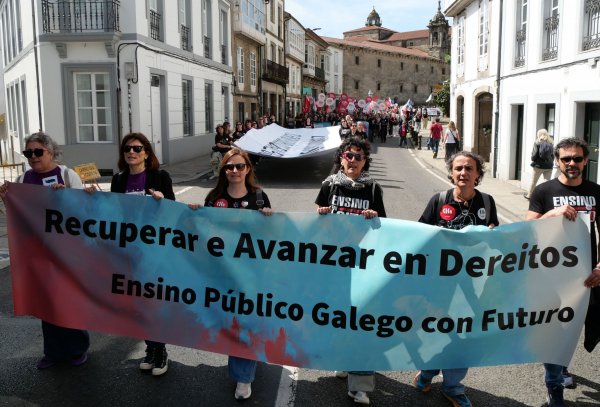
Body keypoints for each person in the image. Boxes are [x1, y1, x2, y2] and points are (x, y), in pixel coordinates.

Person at [414, 151, 499, 407]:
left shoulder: (487, 202)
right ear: (451, 173)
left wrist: (493, 234)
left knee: (463, 334)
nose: (463, 173)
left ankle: (452, 386)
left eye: (469, 168)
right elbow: (418, 235)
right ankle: (428, 371)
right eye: (458, 168)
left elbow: (495, 239)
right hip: (440, 284)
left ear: (478, 174)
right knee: (437, 332)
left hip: (473, 285)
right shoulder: (439, 200)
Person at [0, 131, 90, 369]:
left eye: (38, 152)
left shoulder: (67, 175)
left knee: (69, 301)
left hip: (67, 253)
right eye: (28, 152)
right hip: (38, 253)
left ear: (50, 152)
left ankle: (77, 349)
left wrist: (65, 198)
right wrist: (6, 200)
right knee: (46, 302)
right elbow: (16, 216)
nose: (33, 156)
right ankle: (53, 352)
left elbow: (83, 211)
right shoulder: (22, 179)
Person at [190, 148, 272, 401]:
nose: (234, 171)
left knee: (244, 322)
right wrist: (194, 215)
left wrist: (270, 219)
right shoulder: (214, 197)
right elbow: (203, 233)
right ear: (223, 170)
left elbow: (273, 239)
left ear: (248, 169)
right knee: (227, 322)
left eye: (239, 166)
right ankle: (248, 358)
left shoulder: (260, 197)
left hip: (250, 274)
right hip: (221, 274)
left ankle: (243, 377)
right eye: (229, 166)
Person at [527, 137, 600, 407]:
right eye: (566, 158)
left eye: (577, 158)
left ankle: (562, 363)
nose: (572, 163)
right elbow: (527, 229)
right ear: (557, 161)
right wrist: (552, 214)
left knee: (580, 326)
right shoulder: (543, 191)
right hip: (552, 275)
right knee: (556, 329)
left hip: (587, 275)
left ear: (585, 161)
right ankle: (554, 387)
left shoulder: (596, 192)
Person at [315, 136, 385, 405]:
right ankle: (343, 359)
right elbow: (316, 227)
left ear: (365, 161)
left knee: (361, 321)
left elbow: (384, 228)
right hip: (334, 265)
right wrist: (321, 214)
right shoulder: (328, 185)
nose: (353, 160)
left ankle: (360, 386)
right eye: (349, 155)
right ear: (341, 159)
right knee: (338, 317)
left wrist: (374, 217)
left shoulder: (373, 188)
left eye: (358, 156)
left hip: (363, 265)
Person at [110, 132, 175, 377]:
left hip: (155, 252)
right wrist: (94, 198)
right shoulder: (119, 180)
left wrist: (162, 201)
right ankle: (150, 347)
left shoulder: (160, 177)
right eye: (127, 148)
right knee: (139, 304)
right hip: (130, 251)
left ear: (147, 153)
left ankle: (160, 350)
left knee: (154, 302)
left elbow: (174, 212)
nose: (132, 152)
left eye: (137, 148)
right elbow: (113, 213)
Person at [525, 129, 554, 200]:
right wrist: (550, 161)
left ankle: (529, 195)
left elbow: (534, 154)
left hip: (538, 165)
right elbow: (552, 155)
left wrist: (533, 159)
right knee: (547, 182)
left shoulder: (537, 142)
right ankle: (546, 197)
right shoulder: (550, 142)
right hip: (549, 165)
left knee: (534, 182)